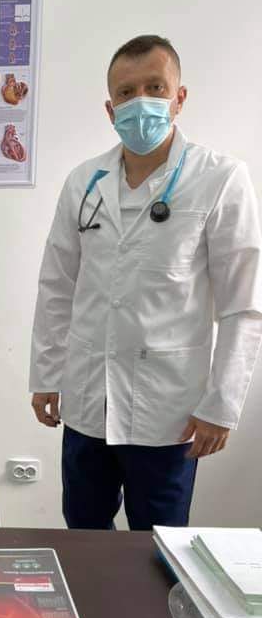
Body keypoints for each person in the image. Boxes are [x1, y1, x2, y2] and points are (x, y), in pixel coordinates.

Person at [29, 35, 262, 530]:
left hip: (168, 411)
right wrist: (46, 375)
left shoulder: (220, 178)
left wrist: (221, 405)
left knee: (158, 542)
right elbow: (57, 286)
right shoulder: (84, 181)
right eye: (127, 92)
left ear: (179, 97)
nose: (141, 102)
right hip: (88, 401)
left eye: (155, 87)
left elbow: (243, 305)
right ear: (110, 109)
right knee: (83, 533)